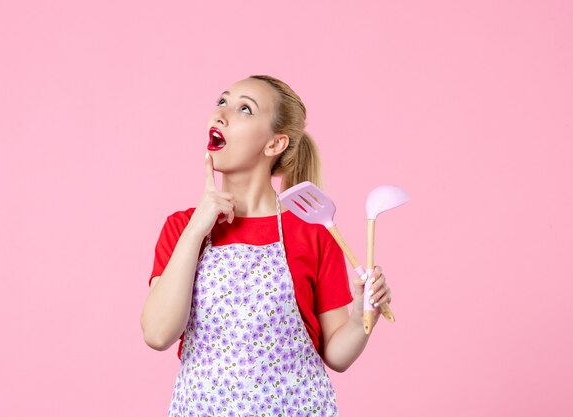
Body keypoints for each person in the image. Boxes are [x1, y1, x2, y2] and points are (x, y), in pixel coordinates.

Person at [140, 75, 393, 416]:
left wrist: (365, 312)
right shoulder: (182, 228)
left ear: (275, 144)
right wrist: (199, 226)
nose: (221, 115)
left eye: (244, 109)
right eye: (222, 102)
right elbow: (157, 333)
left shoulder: (314, 231)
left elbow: (336, 355)